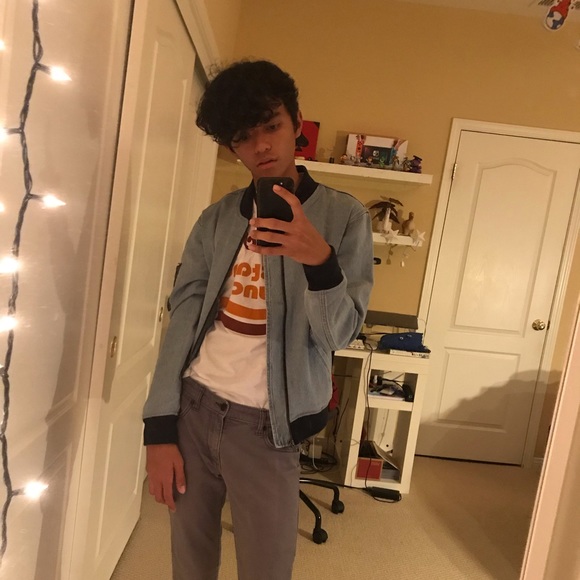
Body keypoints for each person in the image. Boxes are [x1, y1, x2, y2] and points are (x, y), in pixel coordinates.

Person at [143, 59, 373, 580]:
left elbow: (337, 335)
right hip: (194, 409)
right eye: (244, 137)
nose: (262, 146)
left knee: (267, 569)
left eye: (271, 126)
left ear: (297, 123)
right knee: (189, 564)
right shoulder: (217, 218)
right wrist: (158, 428)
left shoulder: (344, 218)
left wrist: (320, 262)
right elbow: (183, 320)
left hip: (269, 427)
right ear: (232, 147)